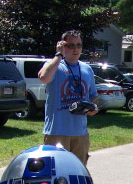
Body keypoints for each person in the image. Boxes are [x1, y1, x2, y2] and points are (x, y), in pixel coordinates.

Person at [38, 30, 98, 165]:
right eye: (70, 45)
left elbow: (93, 95)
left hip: (80, 133)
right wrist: (59, 55)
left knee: (79, 173)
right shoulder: (54, 65)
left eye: (79, 45)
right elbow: (44, 77)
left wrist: (93, 107)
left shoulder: (87, 69)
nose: (75, 49)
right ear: (62, 46)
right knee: (55, 172)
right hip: (57, 132)